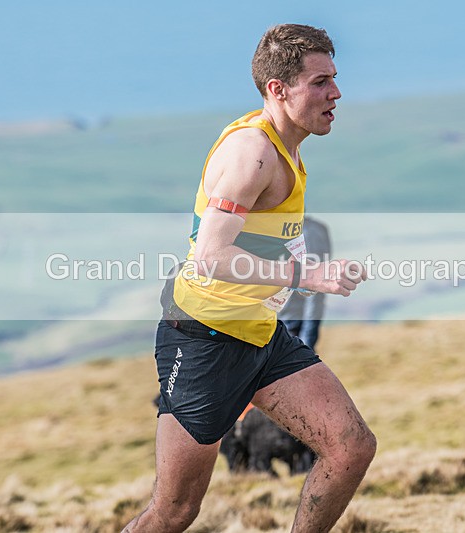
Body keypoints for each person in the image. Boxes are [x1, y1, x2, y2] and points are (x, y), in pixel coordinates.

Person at [123, 24, 376, 533]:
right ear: (277, 90)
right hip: (204, 341)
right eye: (320, 82)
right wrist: (309, 277)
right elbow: (210, 258)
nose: (336, 93)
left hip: (260, 335)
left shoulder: (286, 145)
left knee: (350, 447)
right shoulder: (253, 154)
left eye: (335, 78)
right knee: (174, 512)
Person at [278, 215, 331, 351]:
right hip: (284, 320)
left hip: (291, 323)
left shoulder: (307, 232)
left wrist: (307, 342)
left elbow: (313, 286)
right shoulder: (316, 228)